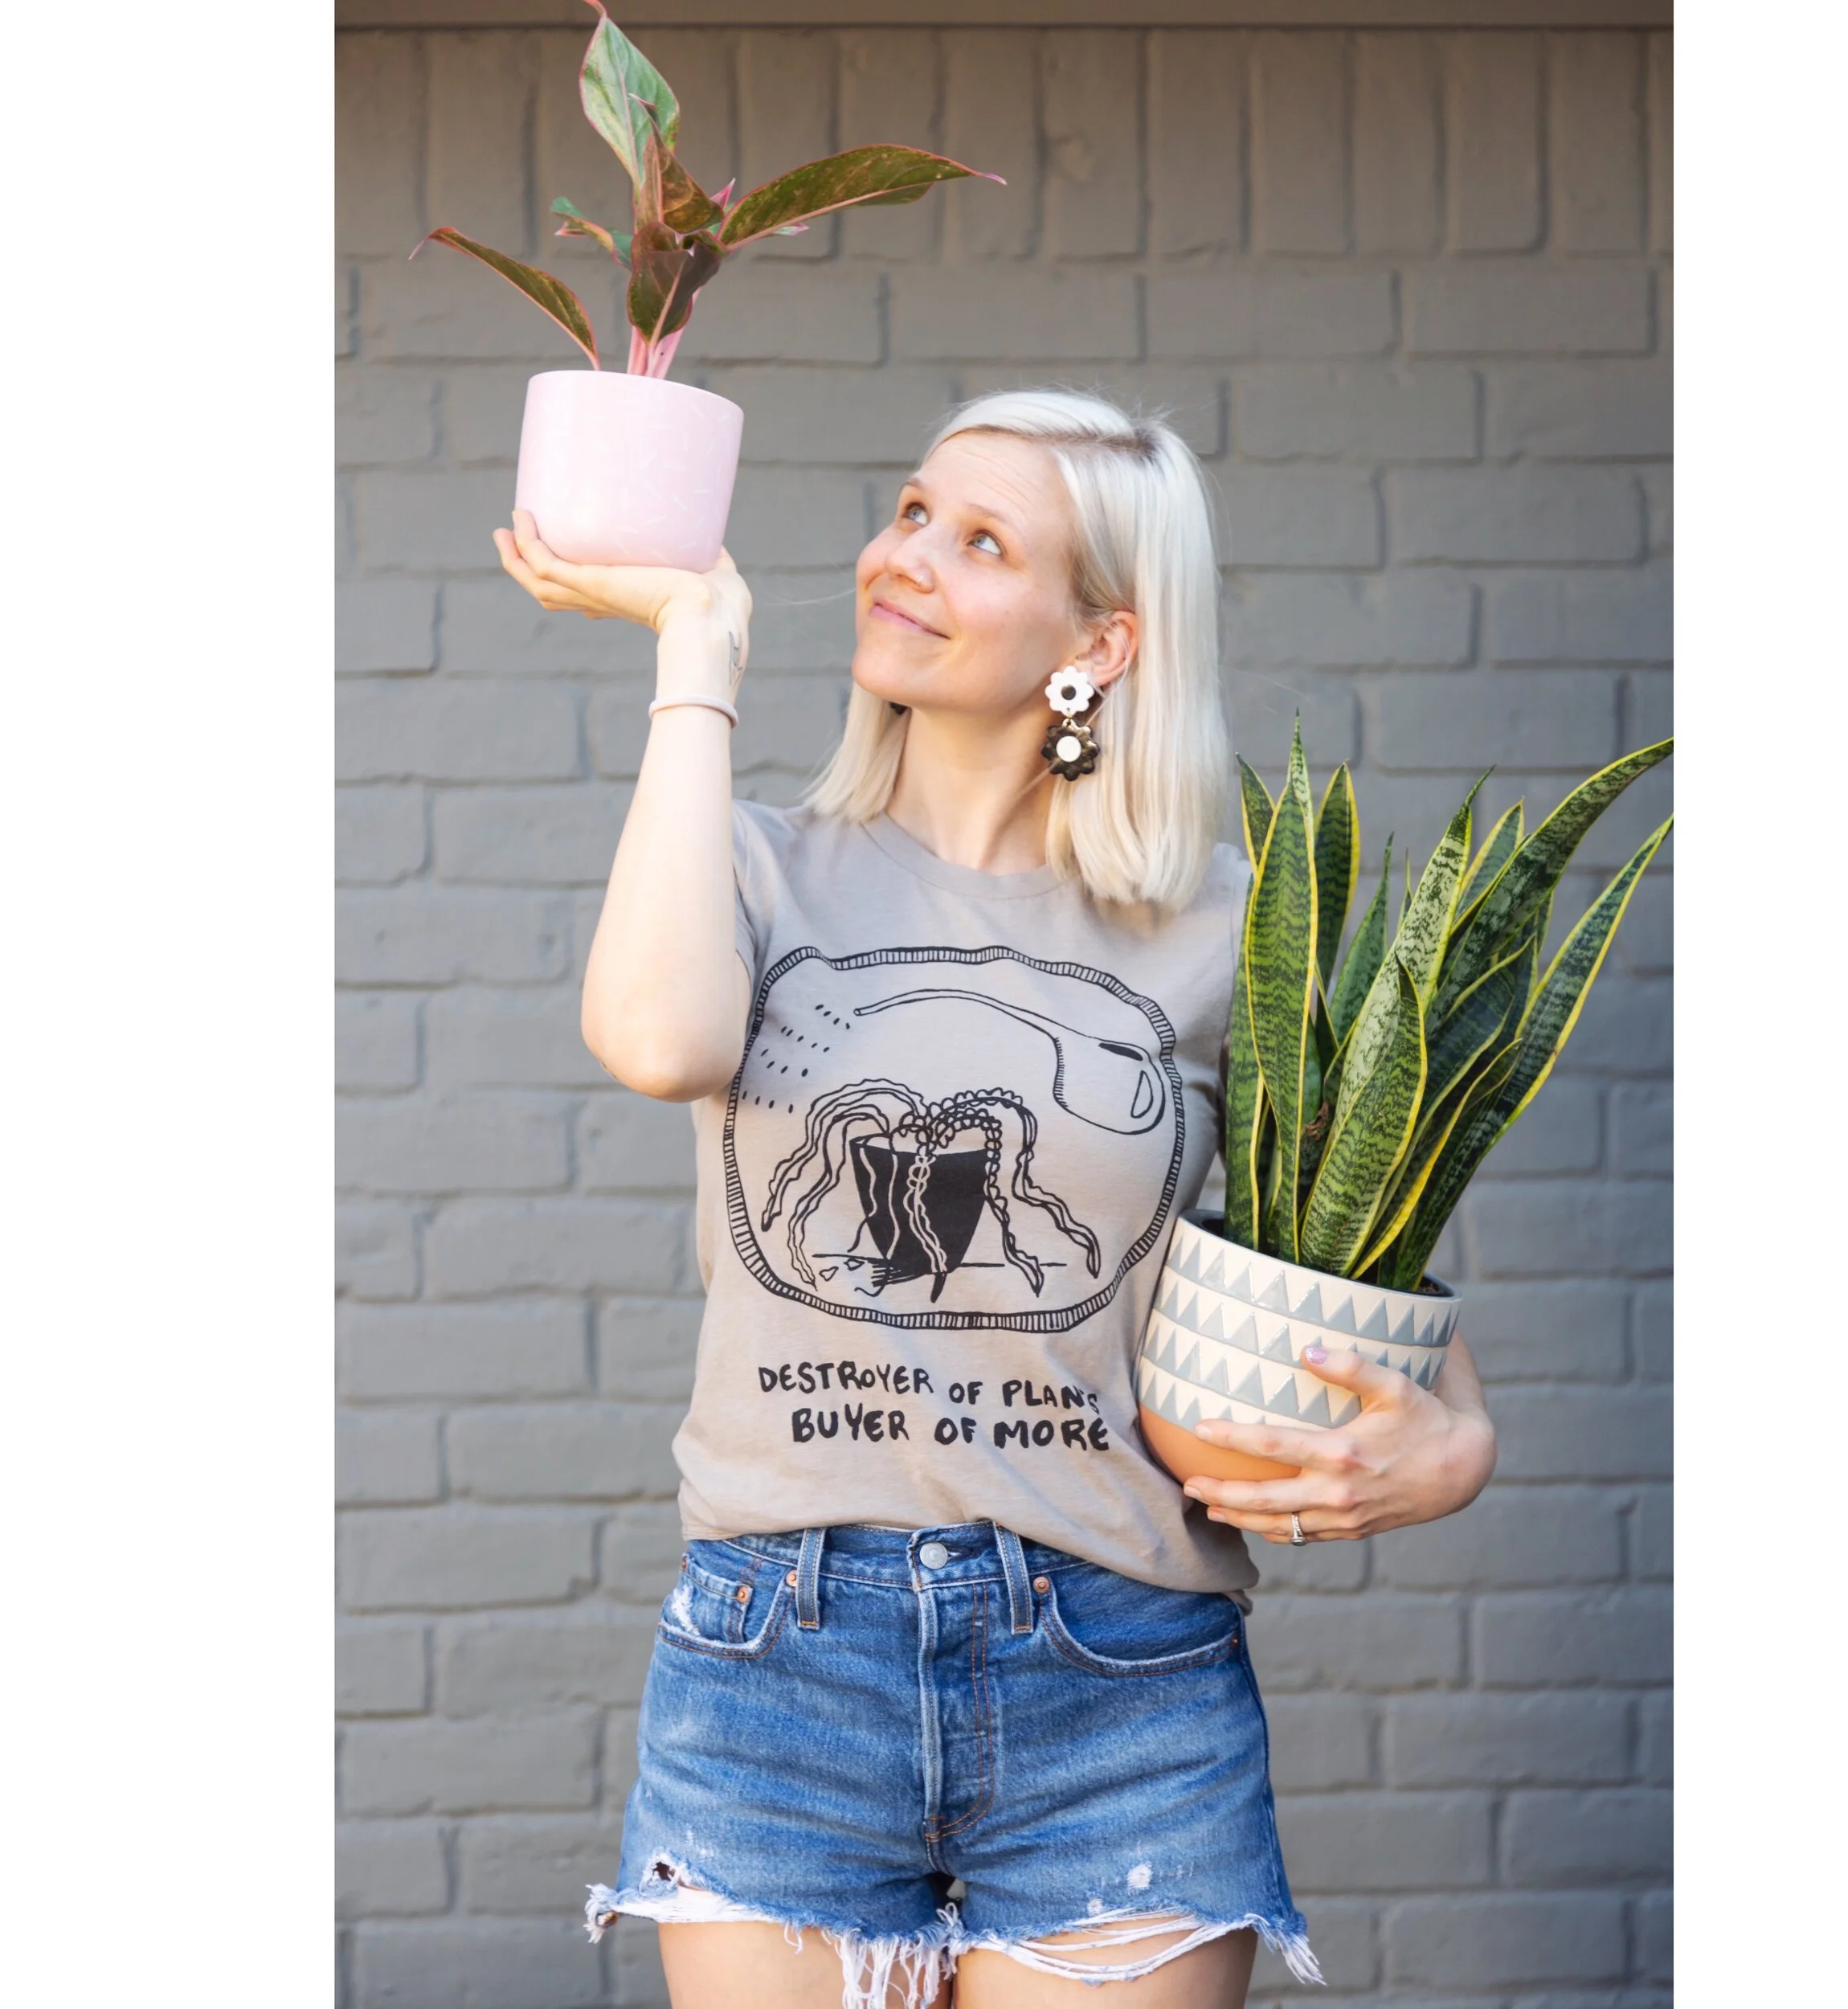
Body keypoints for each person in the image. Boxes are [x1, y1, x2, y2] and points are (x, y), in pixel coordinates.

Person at [493, 389, 1498, 2009]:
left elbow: (1367, 1251)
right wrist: (697, 648)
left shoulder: (1234, 926)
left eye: (978, 542)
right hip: (779, 1657)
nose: (905, 559)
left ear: (1095, 643)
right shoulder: (753, 864)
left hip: (1118, 1671)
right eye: (907, 512)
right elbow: (657, 1035)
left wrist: (1453, 1439)